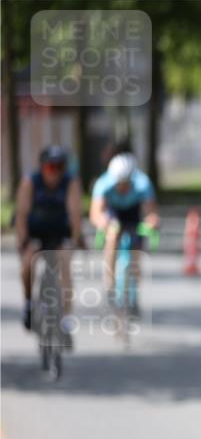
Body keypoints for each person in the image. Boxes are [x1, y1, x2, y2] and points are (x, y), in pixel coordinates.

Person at [15, 145, 83, 339]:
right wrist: (23, 241)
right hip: (35, 232)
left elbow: (75, 214)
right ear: (42, 167)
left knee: (65, 263)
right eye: (50, 167)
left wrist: (75, 240)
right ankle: (28, 302)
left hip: (59, 232)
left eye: (59, 167)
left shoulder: (70, 183)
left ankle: (66, 318)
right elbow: (21, 215)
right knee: (28, 263)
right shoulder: (30, 182)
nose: (55, 172)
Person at [89, 152, 159, 305]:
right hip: (113, 213)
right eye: (119, 183)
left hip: (133, 214)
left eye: (126, 183)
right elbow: (95, 213)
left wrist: (151, 221)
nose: (122, 186)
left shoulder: (142, 183)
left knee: (136, 251)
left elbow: (151, 212)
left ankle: (135, 294)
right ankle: (110, 285)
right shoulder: (104, 183)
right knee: (112, 238)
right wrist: (103, 222)